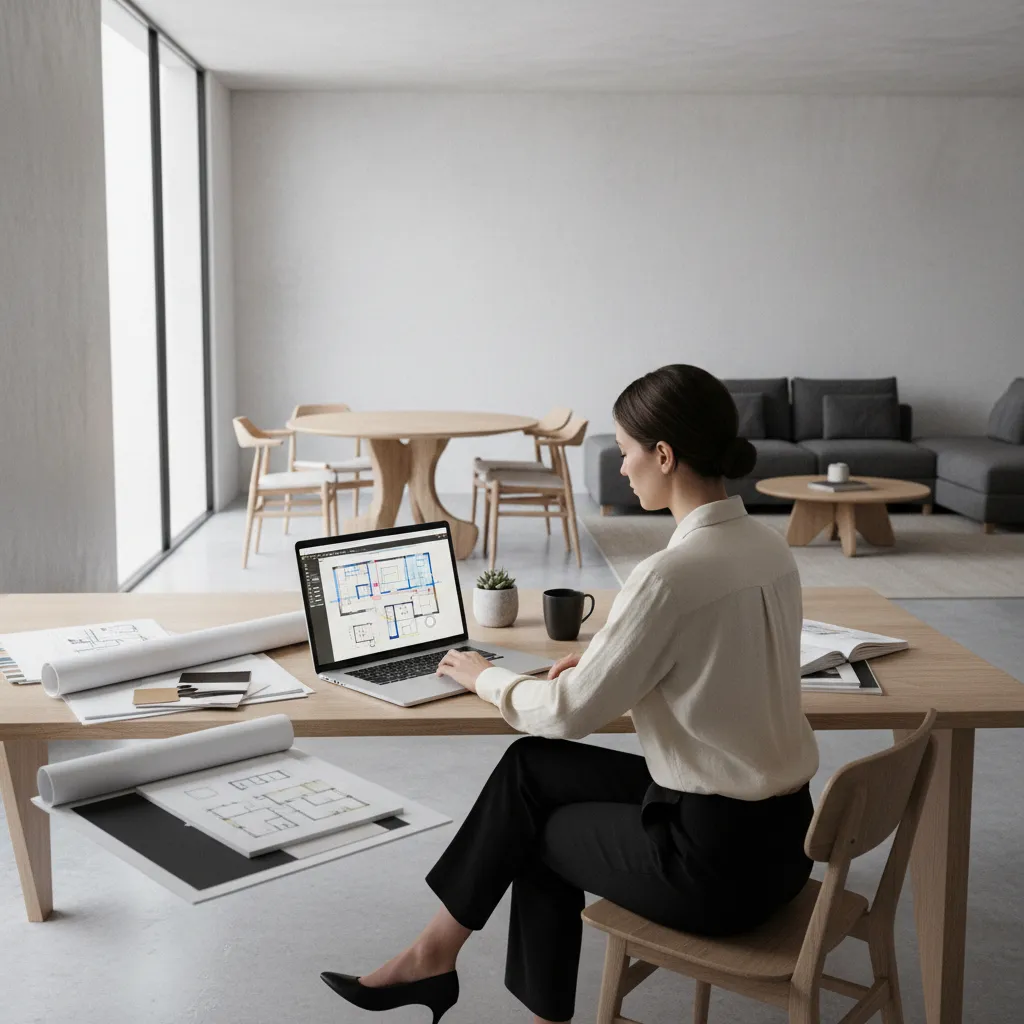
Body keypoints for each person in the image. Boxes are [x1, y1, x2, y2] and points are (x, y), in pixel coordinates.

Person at [321, 364, 820, 1024]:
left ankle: (493, 994)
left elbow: (567, 712)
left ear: (664, 456)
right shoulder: (766, 546)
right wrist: (613, 657)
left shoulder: (670, 574)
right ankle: (432, 956)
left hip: (714, 869)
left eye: (626, 449)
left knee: (536, 831)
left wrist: (486, 676)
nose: (620, 467)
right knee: (531, 772)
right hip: (783, 842)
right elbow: (719, 657)